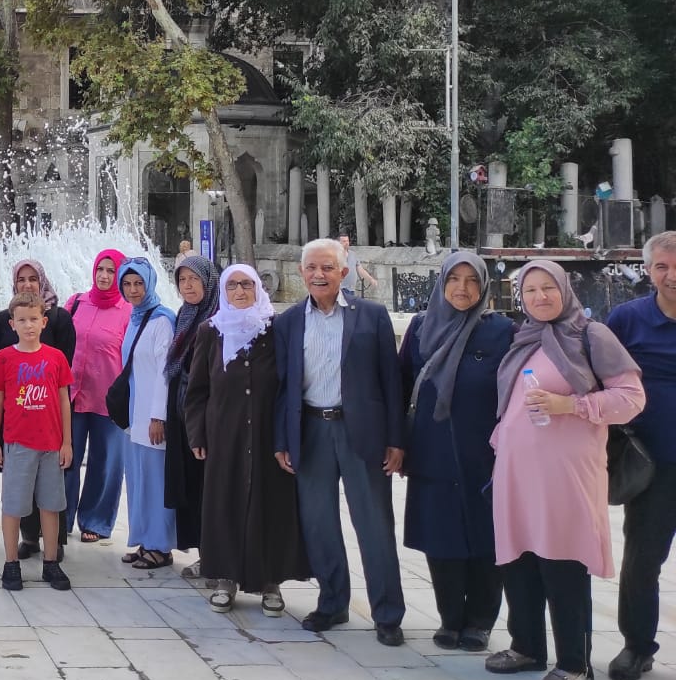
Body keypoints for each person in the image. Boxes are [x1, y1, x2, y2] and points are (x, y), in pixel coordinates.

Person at [487, 260, 644, 680]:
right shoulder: (525, 337)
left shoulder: (591, 336)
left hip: (566, 474)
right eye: (530, 290)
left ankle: (575, 663)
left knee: (562, 561)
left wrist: (570, 406)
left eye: (547, 288)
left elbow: (631, 398)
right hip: (517, 472)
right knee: (518, 559)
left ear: (564, 289)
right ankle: (527, 647)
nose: (540, 297)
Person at [274, 238, 406, 646]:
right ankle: (332, 602)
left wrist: (396, 440)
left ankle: (387, 614)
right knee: (319, 523)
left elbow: (392, 382)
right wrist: (283, 439)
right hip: (311, 430)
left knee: (373, 524)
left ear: (343, 272)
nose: (319, 274)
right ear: (301, 273)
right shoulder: (289, 321)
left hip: (360, 432)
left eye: (328, 268)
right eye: (312, 267)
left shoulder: (372, 316)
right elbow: (284, 386)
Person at [398, 251, 514, 651]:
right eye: (454, 279)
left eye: (471, 281)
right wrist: (396, 443)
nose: (462, 288)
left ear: (484, 287)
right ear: (442, 283)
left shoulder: (502, 332)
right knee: (441, 537)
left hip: (486, 452)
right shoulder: (419, 329)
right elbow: (400, 388)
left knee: (487, 537)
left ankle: (480, 621)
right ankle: (450, 619)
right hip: (432, 450)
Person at [185, 264, 308, 614]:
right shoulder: (212, 331)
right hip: (225, 435)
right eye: (233, 285)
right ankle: (225, 577)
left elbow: (288, 383)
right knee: (226, 503)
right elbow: (197, 391)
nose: (240, 291)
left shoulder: (274, 329)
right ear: (223, 291)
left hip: (269, 434)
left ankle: (270, 582)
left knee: (270, 504)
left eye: (247, 284)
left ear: (258, 288)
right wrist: (197, 433)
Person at [605, 230, 676, 680]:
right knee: (643, 560)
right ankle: (636, 646)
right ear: (649, 271)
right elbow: (599, 380)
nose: (672, 276)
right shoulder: (627, 320)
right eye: (663, 266)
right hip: (653, 466)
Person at [0, 259, 76, 560]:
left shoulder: (61, 321)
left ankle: (54, 549)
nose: (27, 283)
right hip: (19, 433)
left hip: (50, 431)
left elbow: (64, 391)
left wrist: (67, 440)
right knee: (17, 496)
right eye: (21, 279)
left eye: (32, 279)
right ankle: (25, 542)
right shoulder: (3, 325)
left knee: (52, 496)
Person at [63, 250, 131, 543]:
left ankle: (96, 520)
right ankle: (59, 519)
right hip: (73, 395)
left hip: (109, 400)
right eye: (100, 269)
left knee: (106, 463)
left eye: (111, 271)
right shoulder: (76, 303)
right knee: (65, 459)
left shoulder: (128, 310)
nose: (104, 276)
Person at [116, 258, 177, 571]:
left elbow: (166, 373)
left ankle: (160, 546)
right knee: (139, 481)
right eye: (127, 284)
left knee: (155, 483)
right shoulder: (135, 318)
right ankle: (144, 541)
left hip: (153, 419)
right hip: (135, 417)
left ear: (150, 283)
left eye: (138, 283)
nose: (133, 290)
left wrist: (158, 417)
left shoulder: (162, 320)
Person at [165, 253, 219, 571]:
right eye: (182, 280)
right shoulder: (185, 315)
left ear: (208, 282)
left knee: (206, 485)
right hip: (182, 411)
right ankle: (203, 551)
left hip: (208, 416)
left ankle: (213, 554)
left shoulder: (218, 319)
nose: (187, 286)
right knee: (190, 483)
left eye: (194, 279)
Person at [338, 234, 379, 298]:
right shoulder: (334, 256)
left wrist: (371, 279)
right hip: (339, 289)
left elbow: (361, 270)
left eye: (347, 241)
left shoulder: (353, 254)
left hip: (351, 289)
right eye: (344, 241)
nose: (346, 243)